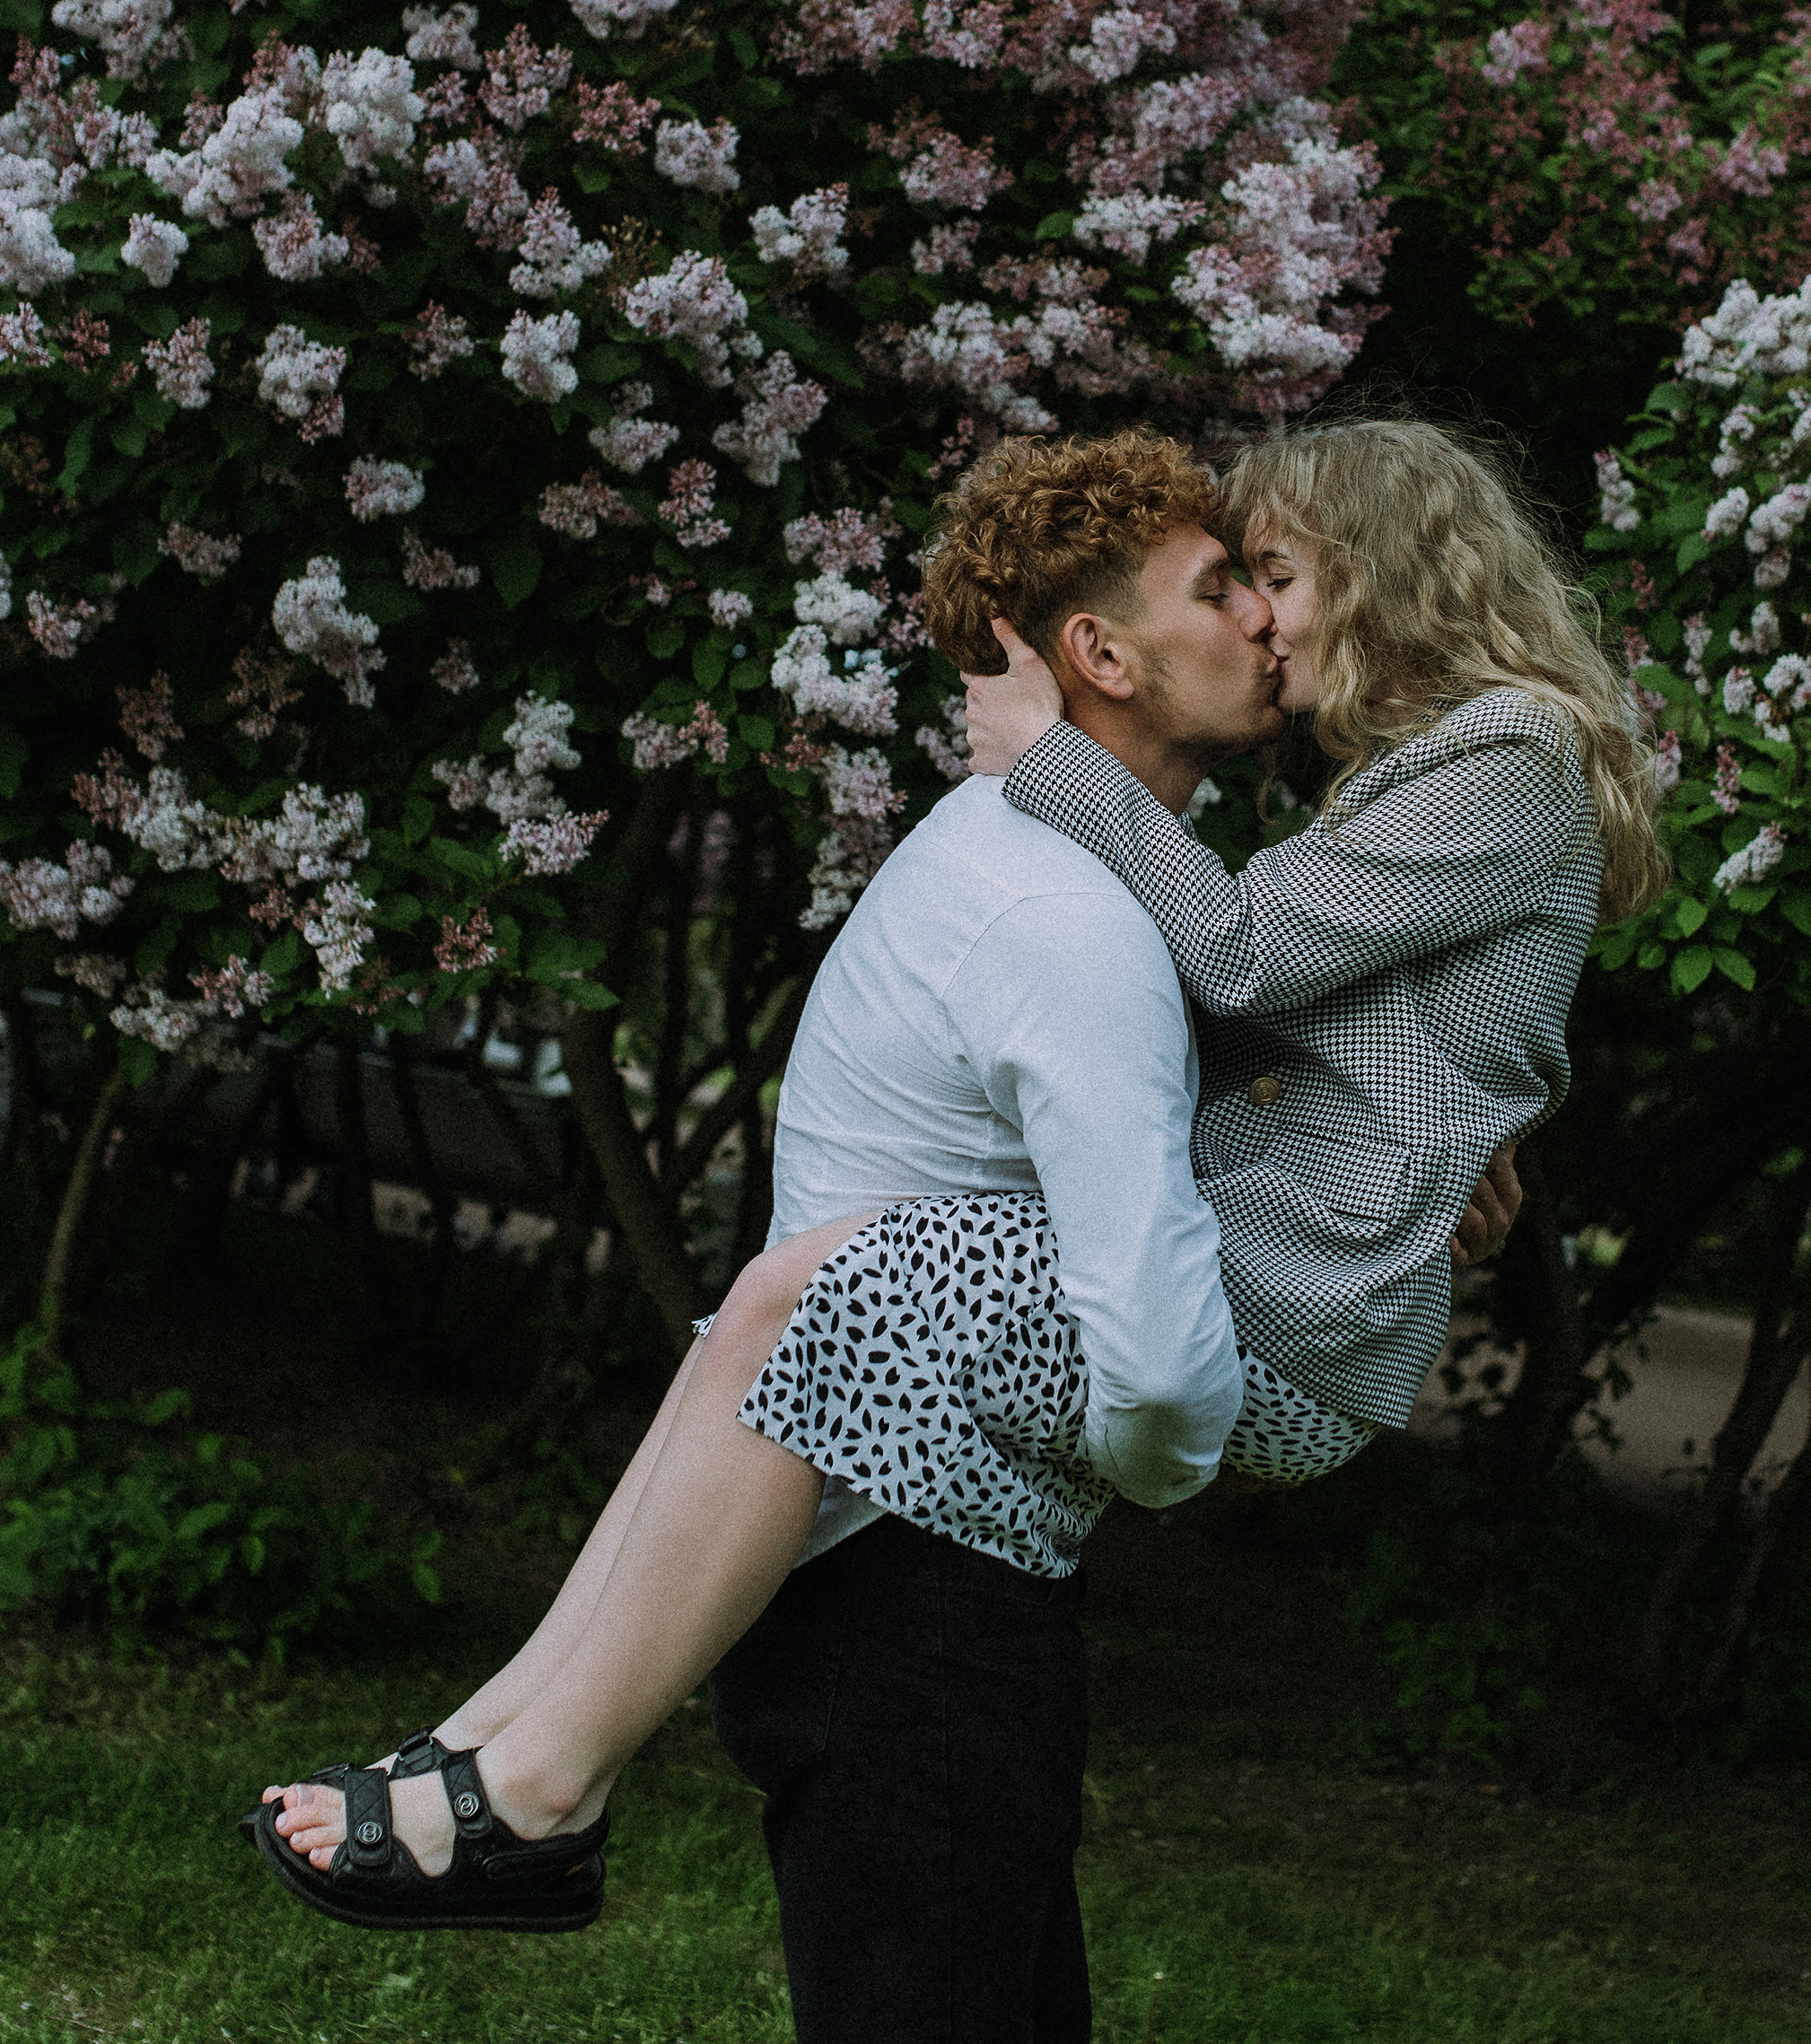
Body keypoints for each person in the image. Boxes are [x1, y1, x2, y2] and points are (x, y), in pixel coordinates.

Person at [253, 419, 1637, 2025]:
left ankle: (540, 1787)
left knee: (841, 1278)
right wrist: (1438, 1133)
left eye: (1279, 574)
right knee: (792, 1289)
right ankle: (503, 1752)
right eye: (1240, 583)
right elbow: (1330, 1027)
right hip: (1281, 1279)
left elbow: (1249, 961)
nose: (1268, 618)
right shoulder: (1416, 778)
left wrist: (1044, 757)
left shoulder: (1506, 756)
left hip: (1285, 1327)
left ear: (1384, 570)